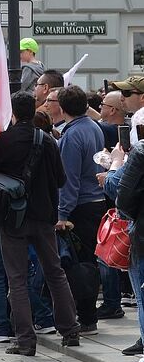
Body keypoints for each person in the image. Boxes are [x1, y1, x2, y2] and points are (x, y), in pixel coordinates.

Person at [0, 91, 80, 355]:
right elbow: (60, 179)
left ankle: (25, 340)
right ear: (32, 111)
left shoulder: (2, 141)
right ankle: (70, 331)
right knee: (55, 272)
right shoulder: (46, 140)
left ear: (12, 113)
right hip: (44, 216)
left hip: (12, 218)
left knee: (17, 278)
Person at [56, 84, 107, 334]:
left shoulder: (72, 135)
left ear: (63, 108)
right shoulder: (93, 127)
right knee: (89, 262)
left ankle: (86, 316)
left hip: (80, 206)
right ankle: (88, 314)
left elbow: (69, 180)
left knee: (78, 264)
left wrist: (62, 213)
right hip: (95, 201)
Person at [112, 141, 144, 362]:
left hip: (142, 230)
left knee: (142, 295)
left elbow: (122, 195)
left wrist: (115, 164)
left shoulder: (141, 150)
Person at [112, 76, 144, 146]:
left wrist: (118, 156)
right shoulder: (137, 119)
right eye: (121, 92)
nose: (121, 98)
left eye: (126, 93)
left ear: (143, 97)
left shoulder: (141, 120)